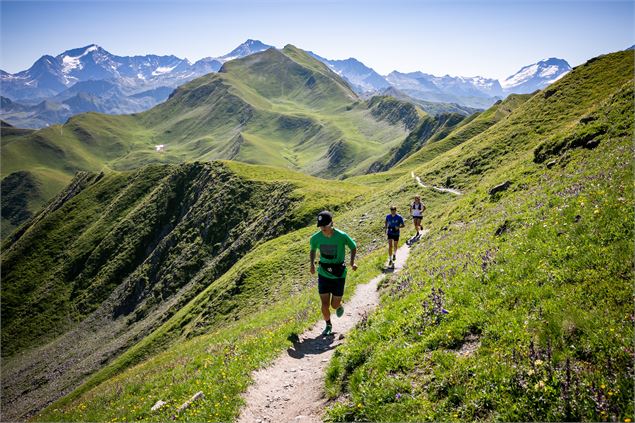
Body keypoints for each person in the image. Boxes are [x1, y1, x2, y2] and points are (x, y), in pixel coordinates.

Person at [310, 211, 357, 336]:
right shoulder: (315, 238)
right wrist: (312, 264)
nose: (323, 228)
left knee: (334, 305)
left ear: (331, 223)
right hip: (323, 273)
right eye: (321, 226)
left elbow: (353, 246)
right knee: (324, 304)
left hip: (338, 275)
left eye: (325, 225)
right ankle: (328, 325)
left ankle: (339, 305)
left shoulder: (342, 236)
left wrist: (352, 262)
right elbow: (313, 250)